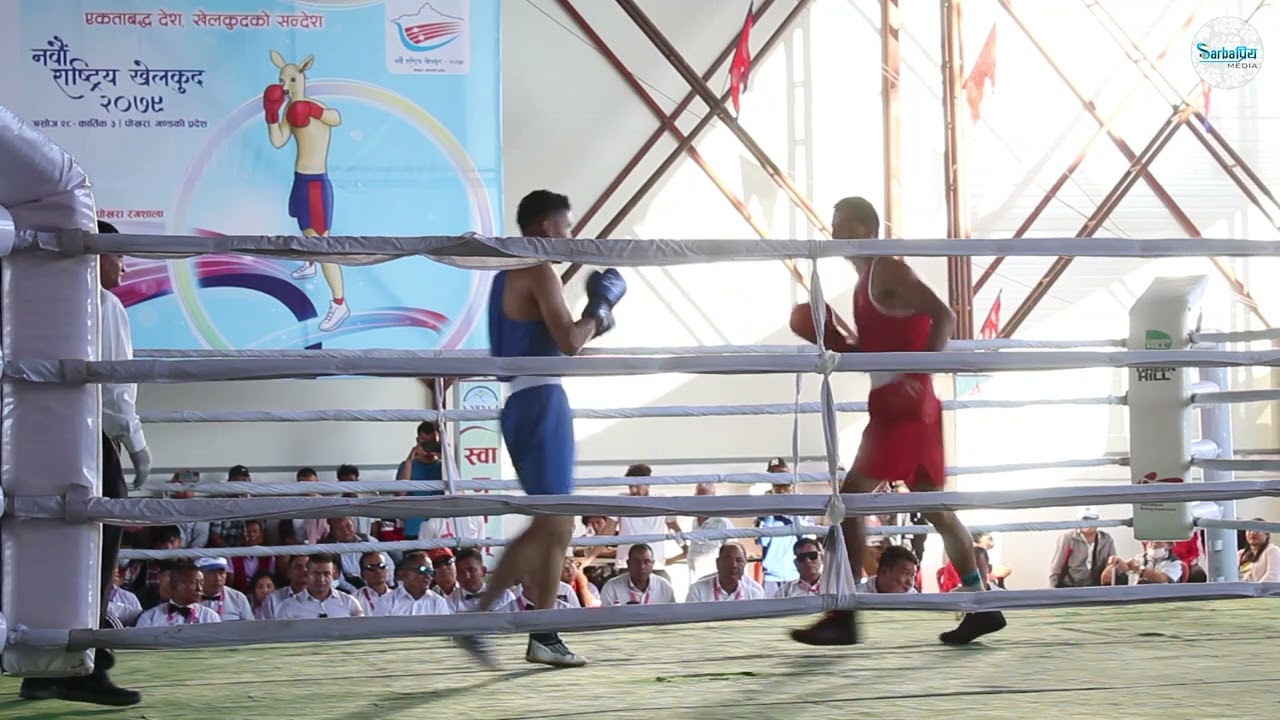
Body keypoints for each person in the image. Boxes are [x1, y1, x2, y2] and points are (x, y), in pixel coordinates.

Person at [788, 197, 1005, 647]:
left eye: (846, 226)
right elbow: (881, 349)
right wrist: (840, 340)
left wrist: (918, 375)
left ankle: (843, 615)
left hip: (902, 407)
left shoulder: (886, 270)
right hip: (905, 405)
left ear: (870, 229)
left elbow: (944, 315)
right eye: (834, 227)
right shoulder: (867, 283)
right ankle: (981, 604)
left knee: (848, 502)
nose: (838, 235)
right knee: (937, 511)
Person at [457, 190, 626, 669]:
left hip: (525, 401)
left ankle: (541, 633)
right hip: (541, 399)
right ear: (549, 228)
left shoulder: (506, 273)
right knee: (554, 522)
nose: (570, 239)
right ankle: (483, 616)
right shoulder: (537, 268)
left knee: (556, 524)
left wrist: (595, 317)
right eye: (568, 229)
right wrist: (599, 310)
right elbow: (570, 342)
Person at [20, 220, 149, 706]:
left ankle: (42, 666)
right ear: (96, 255)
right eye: (118, 254)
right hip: (93, 444)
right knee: (97, 557)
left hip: (40, 444)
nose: (124, 265)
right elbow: (114, 385)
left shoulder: (38, 307)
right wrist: (135, 443)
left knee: (53, 557)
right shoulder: (104, 304)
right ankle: (82, 667)